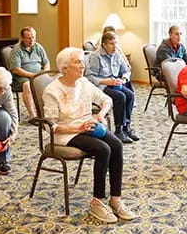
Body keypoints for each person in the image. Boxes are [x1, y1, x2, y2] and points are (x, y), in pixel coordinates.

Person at [43, 47, 136, 224]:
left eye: (82, 61)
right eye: (77, 62)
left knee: (117, 145)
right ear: (65, 68)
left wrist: (101, 114)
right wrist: (78, 128)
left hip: (88, 126)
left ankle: (115, 199)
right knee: (103, 149)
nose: (82, 65)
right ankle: (97, 202)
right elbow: (51, 126)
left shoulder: (84, 83)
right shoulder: (52, 90)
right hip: (65, 134)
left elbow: (106, 100)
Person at [86, 31, 139, 143]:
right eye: (111, 44)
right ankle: (119, 130)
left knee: (130, 95)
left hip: (115, 84)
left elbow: (126, 71)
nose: (115, 47)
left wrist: (123, 79)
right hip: (101, 86)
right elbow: (90, 77)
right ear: (104, 45)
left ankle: (126, 127)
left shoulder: (117, 54)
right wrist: (107, 81)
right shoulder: (95, 56)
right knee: (120, 97)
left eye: (116, 43)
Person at [9, 26, 49, 116]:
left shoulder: (38, 47)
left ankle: (45, 113)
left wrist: (45, 73)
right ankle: (32, 115)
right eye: (29, 38)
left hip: (37, 75)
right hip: (21, 77)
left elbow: (46, 63)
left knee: (50, 82)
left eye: (33, 37)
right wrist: (32, 75)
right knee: (27, 85)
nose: (32, 40)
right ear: (22, 38)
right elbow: (15, 70)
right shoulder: (17, 49)